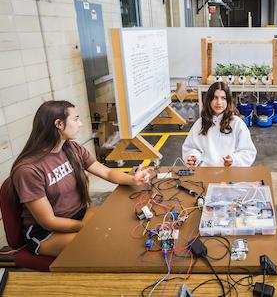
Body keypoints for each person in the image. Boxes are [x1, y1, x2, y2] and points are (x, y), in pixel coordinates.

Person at [7, 100, 152, 257]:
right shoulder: (28, 170)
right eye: (75, 119)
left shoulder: (72, 148)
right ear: (59, 124)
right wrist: (85, 226)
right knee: (102, 244)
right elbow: (48, 221)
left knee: (121, 225)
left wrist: (133, 179)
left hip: (79, 216)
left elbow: (107, 173)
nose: (80, 124)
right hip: (46, 233)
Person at [182, 81, 257, 167]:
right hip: (206, 174)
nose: (219, 102)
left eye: (223, 98)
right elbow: (191, 147)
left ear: (228, 101)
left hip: (230, 174)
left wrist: (234, 160)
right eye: (215, 98)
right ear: (209, 100)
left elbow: (248, 152)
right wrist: (194, 157)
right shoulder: (200, 124)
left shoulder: (237, 124)